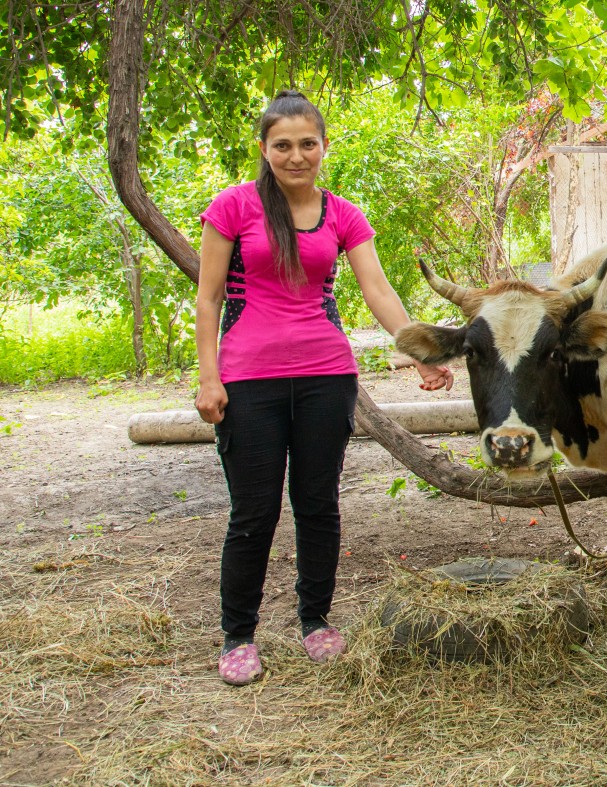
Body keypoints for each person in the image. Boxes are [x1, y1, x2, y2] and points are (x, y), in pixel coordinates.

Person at [195, 90, 453, 686]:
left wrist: (420, 352)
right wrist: (209, 377)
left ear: (323, 147)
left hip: (325, 378)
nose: (296, 155)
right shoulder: (232, 207)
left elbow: (378, 292)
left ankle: (315, 620)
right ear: (264, 149)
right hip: (248, 382)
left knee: (317, 507)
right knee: (253, 514)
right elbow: (208, 300)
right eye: (282, 145)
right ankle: (239, 634)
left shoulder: (342, 214)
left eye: (307, 144)